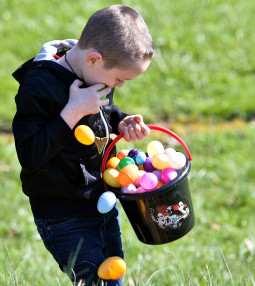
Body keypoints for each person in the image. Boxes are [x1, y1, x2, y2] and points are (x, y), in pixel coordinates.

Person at [12, 5, 154, 286]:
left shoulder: (95, 72)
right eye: (119, 79)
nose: (119, 86)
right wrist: (71, 112)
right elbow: (29, 155)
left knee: (113, 280)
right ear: (93, 60)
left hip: (102, 206)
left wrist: (121, 121)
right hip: (64, 216)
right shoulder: (39, 86)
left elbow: (101, 114)